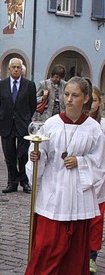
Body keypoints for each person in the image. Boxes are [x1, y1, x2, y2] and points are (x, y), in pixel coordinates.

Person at [26, 77, 105, 275]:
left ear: (86, 98)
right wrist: (36, 156)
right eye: (67, 94)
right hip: (54, 194)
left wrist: (80, 161)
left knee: (74, 254)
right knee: (46, 247)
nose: (69, 99)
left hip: (79, 197)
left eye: (75, 95)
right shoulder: (51, 124)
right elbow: (41, 153)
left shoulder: (94, 129)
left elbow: (99, 163)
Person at [0, 58, 37, 194]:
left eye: (18, 67)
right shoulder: (1, 85)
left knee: (23, 155)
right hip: (6, 124)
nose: (16, 69)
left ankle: (24, 181)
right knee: (9, 155)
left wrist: (24, 118)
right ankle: (12, 182)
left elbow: (33, 105)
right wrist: (3, 115)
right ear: (9, 69)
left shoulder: (29, 85)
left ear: (22, 69)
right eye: (14, 67)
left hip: (22, 125)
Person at [89, 87, 105, 274]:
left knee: (96, 221)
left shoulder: (102, 126)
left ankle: (92, 256)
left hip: (100, 181)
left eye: (93, 100)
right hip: (79, 181)